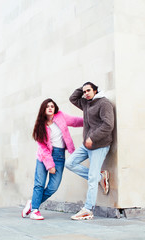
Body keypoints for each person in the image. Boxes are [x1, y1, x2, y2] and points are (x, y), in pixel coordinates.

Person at [22, 98, 83, 220]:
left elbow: (76, 121)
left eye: (52, 106)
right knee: (39, 184)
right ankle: (35, 211)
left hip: (59, 156)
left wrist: (90, 120)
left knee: (53, 186)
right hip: (43, 157)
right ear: (43, 109)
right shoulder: (40, 125)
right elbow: (43, 148)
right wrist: (50, 165)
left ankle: (32, 203)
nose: (50, 108)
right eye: (47, 106)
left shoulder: (61, 117)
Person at [65, 82, 114, 220]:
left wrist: (92, 137)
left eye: (88, 90)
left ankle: (88, 209)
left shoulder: (104, 104)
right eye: (84, 91)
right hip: (87, 145)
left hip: (99, 145)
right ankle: (100, 177)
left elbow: (108, 125)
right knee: (69, 163)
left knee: (92, 178)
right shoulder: (86, 103)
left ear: (96, 90)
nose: (86, 93)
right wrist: (81, 88)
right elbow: (72, 98)